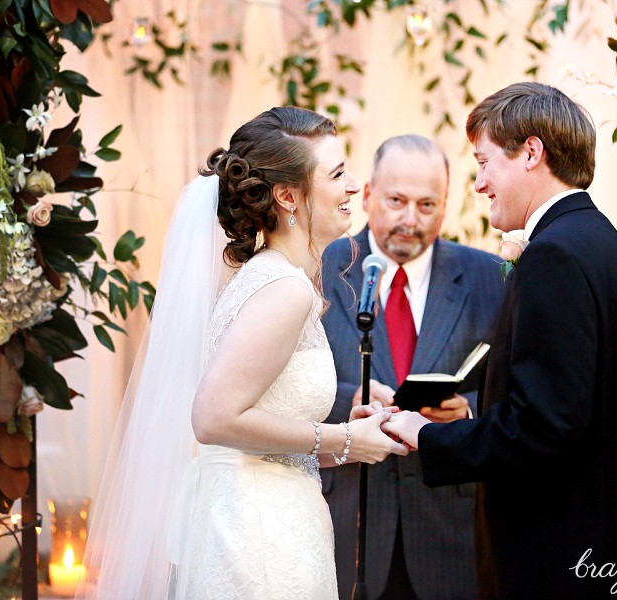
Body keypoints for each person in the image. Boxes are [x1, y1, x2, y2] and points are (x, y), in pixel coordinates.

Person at [82, 107, 408, 600]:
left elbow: (260, 432)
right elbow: (213, 419)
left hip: (261, 515)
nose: (353, 186)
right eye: (338, 173)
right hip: (258, 538)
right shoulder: (283, 288)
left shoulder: (267, 276)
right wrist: (343, 439)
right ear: (287, 195)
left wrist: (351, 436)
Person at [383, 83, 617, 599]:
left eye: (485, 161)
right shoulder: (605, 247)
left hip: (561, 564)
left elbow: (542, 426)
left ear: (531, 153)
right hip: (610, 555)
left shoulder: (553, 257)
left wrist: (424, 434)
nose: (479, 183)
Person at [321, 134, 506, 599]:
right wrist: (348, 402)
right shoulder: (319, 268)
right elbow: (279, 383)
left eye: (427, 205)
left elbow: (517, 394)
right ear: (366, 196)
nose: (410, 219)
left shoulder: (492, 277)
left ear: (446, 207)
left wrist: (466, 412)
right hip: (343, 522)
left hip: (451, 531)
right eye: (396, 200)